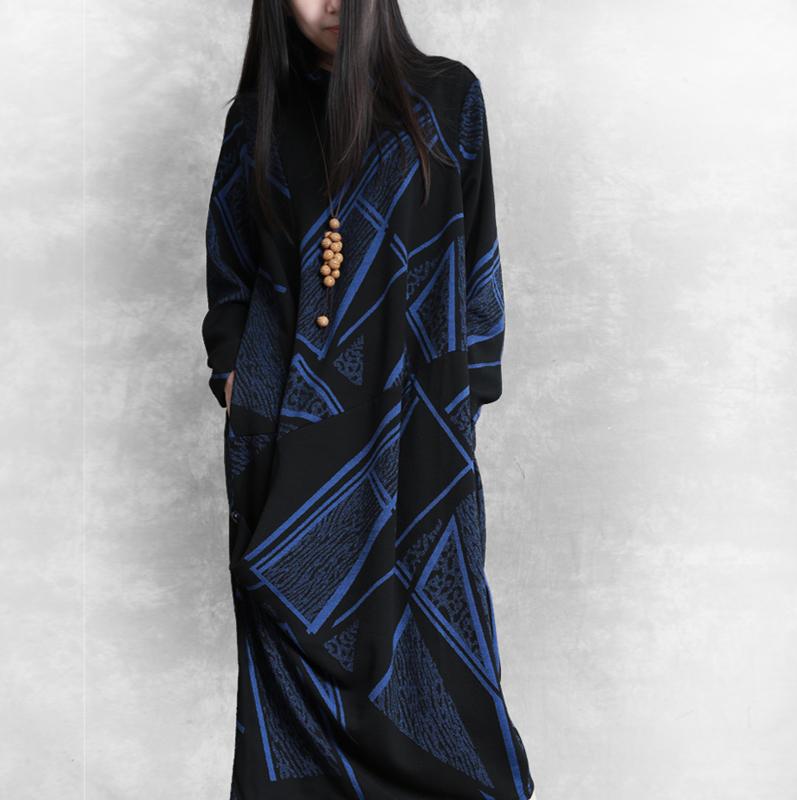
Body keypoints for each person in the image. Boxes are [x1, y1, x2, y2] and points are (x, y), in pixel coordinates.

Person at [201, 1, 535, 798]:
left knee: (442, 671)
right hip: (288, 442)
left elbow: (477, 254)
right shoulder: (257, 119)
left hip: (416, 427)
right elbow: (231, 272)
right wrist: (235, 377)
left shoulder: (447, 98)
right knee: (292, 681)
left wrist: (468, 391)